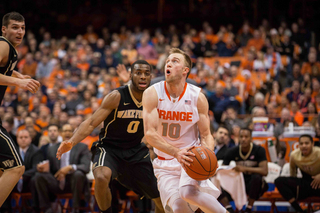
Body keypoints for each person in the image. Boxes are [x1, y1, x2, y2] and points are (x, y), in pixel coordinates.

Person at [56, 60, 164, 213]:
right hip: (109, 148)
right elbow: (92, 122)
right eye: (138, 73)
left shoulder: (153, 99)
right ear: (131, 75)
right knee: (101, 177)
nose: (143, 77)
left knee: (159, 196)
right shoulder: (117, 96)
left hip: (135, 151)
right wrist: (71, 141)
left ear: (151, 77)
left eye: (146, 74)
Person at [142, 48, 227, 213]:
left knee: (188, 193)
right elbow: (150, 134)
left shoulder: (197, 97)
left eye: (175, 61)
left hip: (191, 158)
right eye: (168, 61)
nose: (169, 63)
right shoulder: (152, 93)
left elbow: (206, 134)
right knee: (179, 206)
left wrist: (207, 154)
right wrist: (176, 153)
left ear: (185, 70)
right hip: (165, 161)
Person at [0, 11, 40, 207]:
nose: (20, 31)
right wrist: (18, 83)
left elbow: (3, 66)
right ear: (4, 29)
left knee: (2, 170)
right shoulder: (3, 45)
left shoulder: (9, 50)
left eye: (22, 28)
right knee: (16, 168)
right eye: (15, 27)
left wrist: (19, 75)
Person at [34, 124, 91, 213]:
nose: (67, 133)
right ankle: (47, 208)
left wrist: (69, 167)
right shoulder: (52, 148)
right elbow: (51, 169)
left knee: (78, 174)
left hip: (75, 183)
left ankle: (76, 209)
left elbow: (86, 166)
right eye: (65, 131)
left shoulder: (82, 147)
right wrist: (43, 168)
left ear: (74, 133)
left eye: (70, 131)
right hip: (58, 181)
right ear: (61, 133)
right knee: (39, 176)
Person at [223, 128, 268, 213]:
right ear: (238, 138)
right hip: (239, 183)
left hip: (254, 185)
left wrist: (244, 169)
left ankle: (248, 208)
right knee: (218, 181)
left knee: (257, 178)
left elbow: (265, 171)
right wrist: (229, 170)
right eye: (241, 137)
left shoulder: (259, 150)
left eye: (246, 137)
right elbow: (222, 169)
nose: (243, 139)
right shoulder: (232, 151)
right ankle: (229, 209)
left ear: (251, 138)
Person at [275, 135, 320, 213]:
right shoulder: (294, 155)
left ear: (312, 144)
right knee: (279, 181)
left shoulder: (319, 153)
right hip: (306, 184)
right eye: (301, 144)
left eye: (307, 143)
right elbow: (293, 174)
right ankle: (299, 210)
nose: (304, 146)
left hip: (319, 185)